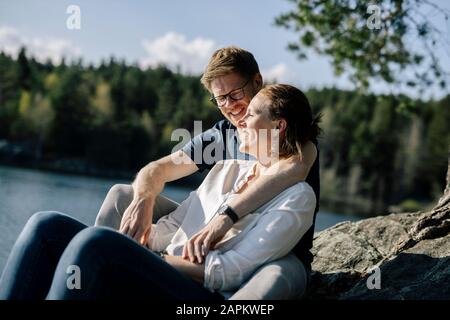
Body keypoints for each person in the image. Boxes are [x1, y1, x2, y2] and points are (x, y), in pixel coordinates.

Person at [0, 84, 320, 300]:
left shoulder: (297, 197)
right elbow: (172, 228)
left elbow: (230, 273)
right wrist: (143, 233)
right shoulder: (227, 169)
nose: (239, 119)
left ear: (278, 127)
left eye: (251, 114)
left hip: (197, 293)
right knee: (46, 225)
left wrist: (152, 259)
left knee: (97, 243)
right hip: (165, 266)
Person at [95, 46, 321, 299]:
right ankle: (105, 280)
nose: (230, 106)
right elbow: (157, 169)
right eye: (220, 99)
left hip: (276, 251)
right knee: (121, 196)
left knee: (276, 279)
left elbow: (294, 169)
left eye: (235, 93)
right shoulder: (223, 136)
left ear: (257, 81)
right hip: (212, 237)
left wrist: (226, 217)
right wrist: (143, 200)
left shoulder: (293, 138)